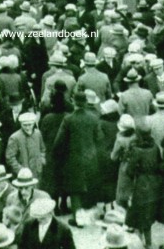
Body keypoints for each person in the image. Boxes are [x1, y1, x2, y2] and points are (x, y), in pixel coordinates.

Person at [52, 90, 103, 227]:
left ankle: (78, 219)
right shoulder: (94, 118)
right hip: (91, 158)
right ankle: (88, 216)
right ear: (86, 103)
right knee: (88, 186)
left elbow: (59, 142)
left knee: (75, 190)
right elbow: (99, 138)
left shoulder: (68, 119)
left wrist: (58, 155)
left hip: (73, 159)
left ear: (74, 102)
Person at [124, 119, 161, 246]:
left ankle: (139, 243)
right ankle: (149, 242)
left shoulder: (136, 150)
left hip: (140, 183)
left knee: (138, 213)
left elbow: (130, 171)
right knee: (148, 214)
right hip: (154, 183)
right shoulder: (155, 147)